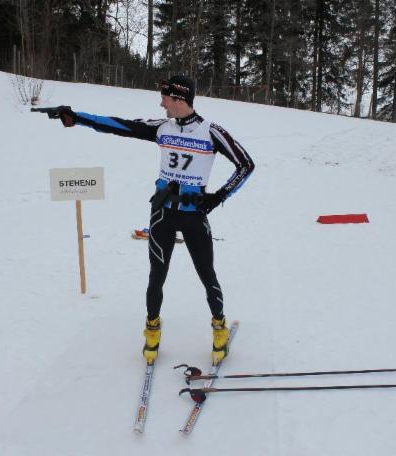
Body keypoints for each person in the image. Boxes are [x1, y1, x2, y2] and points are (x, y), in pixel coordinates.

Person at [52, 75, 254, 365]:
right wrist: (78, 118)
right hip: (162, 214)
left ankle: (219, 327)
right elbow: (120, 125)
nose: (161, 104)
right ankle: (152, 329)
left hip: (194, 215)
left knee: (207, 274)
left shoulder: (211, 132)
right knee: (156, 276)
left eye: (165, 98)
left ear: (179, 99)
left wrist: (219, 196)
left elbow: (246, 165)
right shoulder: (162, 127)